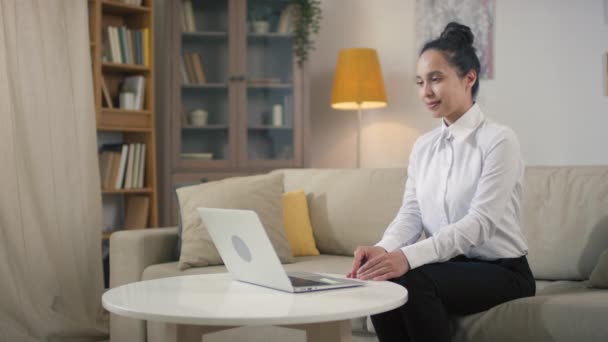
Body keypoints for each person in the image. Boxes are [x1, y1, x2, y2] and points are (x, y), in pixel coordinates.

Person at [346, 22, 536, 342]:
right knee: (382, 282)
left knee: (415, 283)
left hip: (503, 272)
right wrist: (382, 250)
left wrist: (407, 257)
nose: (426, 92)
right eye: (420, 82)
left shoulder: (499, 140)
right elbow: (412, 213)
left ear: (469, 78)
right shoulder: (423, 146)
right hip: (448, 266)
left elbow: (480, 224)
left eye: (436, 79)